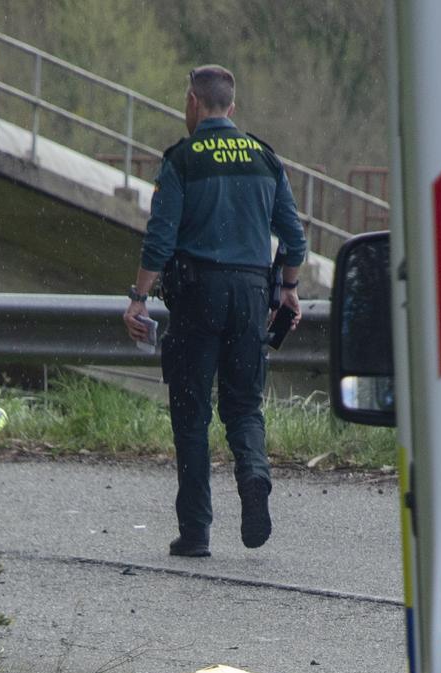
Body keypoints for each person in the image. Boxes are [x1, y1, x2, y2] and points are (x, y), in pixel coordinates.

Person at [124, 64, 308, 558]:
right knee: (244, 406)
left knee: (191, 414)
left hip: (197, 295)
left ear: (191, 102)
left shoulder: (182, 160)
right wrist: (287, 288)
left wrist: (138, 297)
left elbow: (160, 239)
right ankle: (253, 476)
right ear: (232, 107)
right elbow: (294, 238)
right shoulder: (264, 158)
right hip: (251, 295)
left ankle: (196, 532)